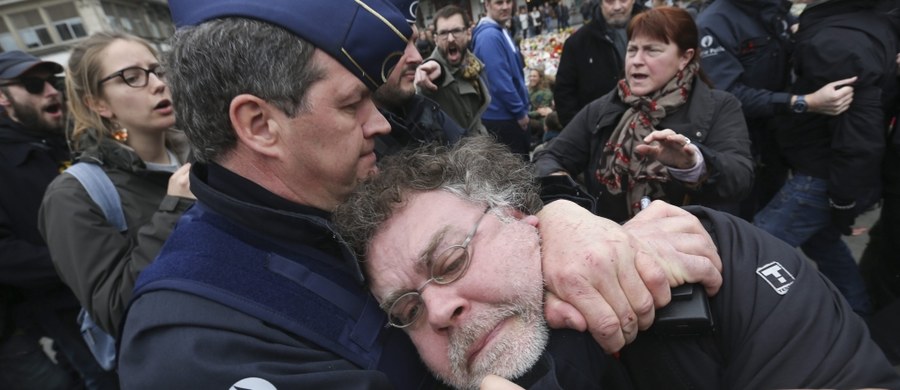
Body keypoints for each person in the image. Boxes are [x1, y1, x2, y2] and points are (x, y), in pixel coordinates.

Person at [119, 1, 726, 387]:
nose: (379, 123)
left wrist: (556, 220)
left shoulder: (365, 168)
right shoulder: (196, 337)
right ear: (258, 124)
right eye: (353, 104)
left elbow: (500, 194)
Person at [333, 135, 900, 390]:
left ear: (520, 216)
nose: (436, 309)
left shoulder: (709, 263)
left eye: (451, 259)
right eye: (404, 309)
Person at [38, 31, 194, 340]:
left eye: (158, 70)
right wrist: (174, 211)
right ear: (97, 103)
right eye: (131, 77)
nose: (158, 83)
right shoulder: (73, 196)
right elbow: (116, 309)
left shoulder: (201, 153)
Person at [534, 6, 753, 223]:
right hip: (615, 245)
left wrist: (694, 165)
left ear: (685, 58)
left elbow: (740, 178)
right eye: (632, 50)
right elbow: (550, 157)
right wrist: (560, 184)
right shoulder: (603, 108)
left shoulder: (719, 106)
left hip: (688, 245)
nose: (637, 60)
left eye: (652, 50)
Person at [753, 0, 897, 317]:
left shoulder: (841, 41)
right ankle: (858, 314)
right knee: (824, 246)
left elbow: (860, 136)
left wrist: (844, 201)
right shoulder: (849, 24)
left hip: (820, 177)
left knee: (753, 250)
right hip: (821, 169)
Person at [0, 50, 116, 389]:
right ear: (2, 97)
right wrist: (77, 263)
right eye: (34, 85)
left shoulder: (69, 139)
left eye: (53, 82)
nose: (52, 92)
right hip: (63, 310)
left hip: (112, 292)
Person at [696, 0, 856, 221]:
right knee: (738, 229)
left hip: (776, 145)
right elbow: (727, 94)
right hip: (736, 147)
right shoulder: (714, 23)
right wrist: (803, 102)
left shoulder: (776, 11)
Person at [373, 5, 467, 156]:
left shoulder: (424, 110)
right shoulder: (361, 144)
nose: (418, 58)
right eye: (400, 44)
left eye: (414, 42)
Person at [554, 0, 647, 127]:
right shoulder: (577, 43)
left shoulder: (658, 30)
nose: (617, 7)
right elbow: (564, 95)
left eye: (623, 0)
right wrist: (582, 134)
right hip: (600, 133)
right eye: (610, 1)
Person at [415, 5, 490, 136]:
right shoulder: (432, 71)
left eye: (456, 31)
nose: (450, 38)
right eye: (443, 33)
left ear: (468, 33)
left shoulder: (473, 64)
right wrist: (435, 73)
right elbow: (431, 78)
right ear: (436, 39)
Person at [472, 0, 532, 159]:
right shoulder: (489, 36)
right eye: (499, 2)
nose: (505, 7)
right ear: (487, 5)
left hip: (505, 115)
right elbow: (500, 81)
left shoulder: (498, 30)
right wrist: (519, 112)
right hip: (503, 117)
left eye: (508, 2)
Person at [526, 67, 553, 147]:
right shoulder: (530, 90)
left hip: (539, 122)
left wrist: (526, 114)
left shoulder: (545, 93)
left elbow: (541, 112)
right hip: (531, 117)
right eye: (530, 76)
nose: (531, 78)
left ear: (540, 78)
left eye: (534, 76)